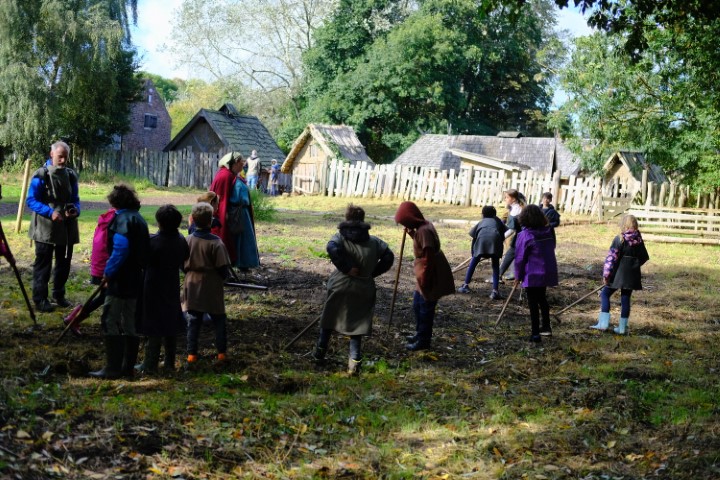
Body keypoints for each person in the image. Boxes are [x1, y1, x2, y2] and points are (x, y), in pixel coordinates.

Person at [312, 204, 394, 375]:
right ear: (363, 220)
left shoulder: (339, 238)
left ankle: (319, 354)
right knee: (357, 325)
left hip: (339, 286)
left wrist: (347, 268)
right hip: (363, 288)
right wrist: (371, 273)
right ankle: (354, 364)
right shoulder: (375, 242)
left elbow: (332, 249)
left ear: (347, 219)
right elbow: (389, 257)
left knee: (329, 320)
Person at [90, 184, 150, 379]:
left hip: (120, 278)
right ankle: (127, 367)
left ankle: (113, 368)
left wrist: (108, 272)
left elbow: (121, 248)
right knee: (130, 321)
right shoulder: (138, 218)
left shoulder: (123, 220)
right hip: (135, 277)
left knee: (110, 318)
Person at [26, 141, 80, 312]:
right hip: (45, 226)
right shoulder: (41, 175)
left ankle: (59, 294)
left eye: (66, 157)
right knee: (43, 263)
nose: (63, 160)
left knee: (64, 262)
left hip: (67, 225)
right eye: (60, 157)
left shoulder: (71, 175)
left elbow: (76, 199)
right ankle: (40, 299)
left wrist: (75, 210)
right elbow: (31, 200)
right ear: (52, 154)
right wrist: (50, 212)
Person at [136, 205, 190, 374]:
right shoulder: (181, 240)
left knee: (153, 323)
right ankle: (169, 363)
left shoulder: (153, 242)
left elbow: (142, 260)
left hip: (153, 285)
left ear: (159, 222)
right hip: (171, 284)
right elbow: (185, 256)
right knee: (170, 321)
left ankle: (149, 363)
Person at [394, 201, 455, 351]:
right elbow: (422, 245)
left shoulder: (424, 231)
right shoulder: (422, 227)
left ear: (411, 218)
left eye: (405, 221)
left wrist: (425, 279)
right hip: (425, 270)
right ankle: (419, 333)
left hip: (430, 271)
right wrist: (412, 234)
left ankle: (423, 340)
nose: (404, 224)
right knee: (417, 304)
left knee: (425, 308)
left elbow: (428, 257)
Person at [183, 202, 232, 364]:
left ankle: (192, 355)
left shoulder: (187, 240)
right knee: (219, 318)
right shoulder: (216, 242)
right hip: (212, 283)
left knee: (193, 319)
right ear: (211, 220)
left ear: (193, 219)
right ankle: (221, 353)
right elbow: (223, 268)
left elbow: (181, 263)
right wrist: (223, 278)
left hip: (192, 282)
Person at [591, 214, 650, 335]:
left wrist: (606, 275)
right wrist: (634, 265)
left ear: (624, 225)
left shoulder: (619, 239)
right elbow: (644, 257)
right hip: (632, 276)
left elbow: (611, 259)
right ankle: (622, 329)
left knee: (605, 294)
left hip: (617, 274)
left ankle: (603, 324)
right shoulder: (639, 240)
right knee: (625, 298)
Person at [62, 206, 116, 335]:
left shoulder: (108, 217)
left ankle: (74, 318)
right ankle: (74, 318)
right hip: (106, 265)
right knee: (107, 296)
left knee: (105, 296)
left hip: (101, 263)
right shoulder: (116, 220)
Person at [514, 204, 558, 343]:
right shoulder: (548, 232)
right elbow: (552, 247)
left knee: (533, 302)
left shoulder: (524, 235)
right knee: (542, 298)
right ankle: (546, 327)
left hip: (532, 272)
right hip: (546, 270)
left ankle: (535, 334)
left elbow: (520, 257)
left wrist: (517, 275)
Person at [457, 205, 507, 299]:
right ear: (495, 214)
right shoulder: (498, 222)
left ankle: (465, 285)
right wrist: (498, 251)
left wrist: (474, 253)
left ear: (483, 214)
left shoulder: (481, 222)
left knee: (473, 263)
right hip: (495, 243)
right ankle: (495, 291)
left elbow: (474, 238)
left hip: (481, 243)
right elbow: (502, 237)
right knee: (495, 266)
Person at [209, 151, 243, 263]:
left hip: (223, 210)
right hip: (220, 212)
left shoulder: (227, 174)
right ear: (236, 162)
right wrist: (224, 214)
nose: (243, 164)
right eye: (241, 162)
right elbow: (221, 198)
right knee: (222, 235)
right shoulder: (226, 175)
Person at [229, 158, 260, 271]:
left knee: (245, 239)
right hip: (239, 212)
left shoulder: (239, 180)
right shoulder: (236, 182)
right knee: (241, 239)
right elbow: (239, 197)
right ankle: (241, 263)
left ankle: (245, 263)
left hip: (243, 212)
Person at [493, 189, 526, 283]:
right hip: (521, 236)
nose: (505, 199)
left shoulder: (516, 210)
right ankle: (499, 275)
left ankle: (501, 276)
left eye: (507, 197)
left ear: (514, 199)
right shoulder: (516, 208)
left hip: (523, 237)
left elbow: (512, 230)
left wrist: (500, 238)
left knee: (515, 255)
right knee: (510, 254)